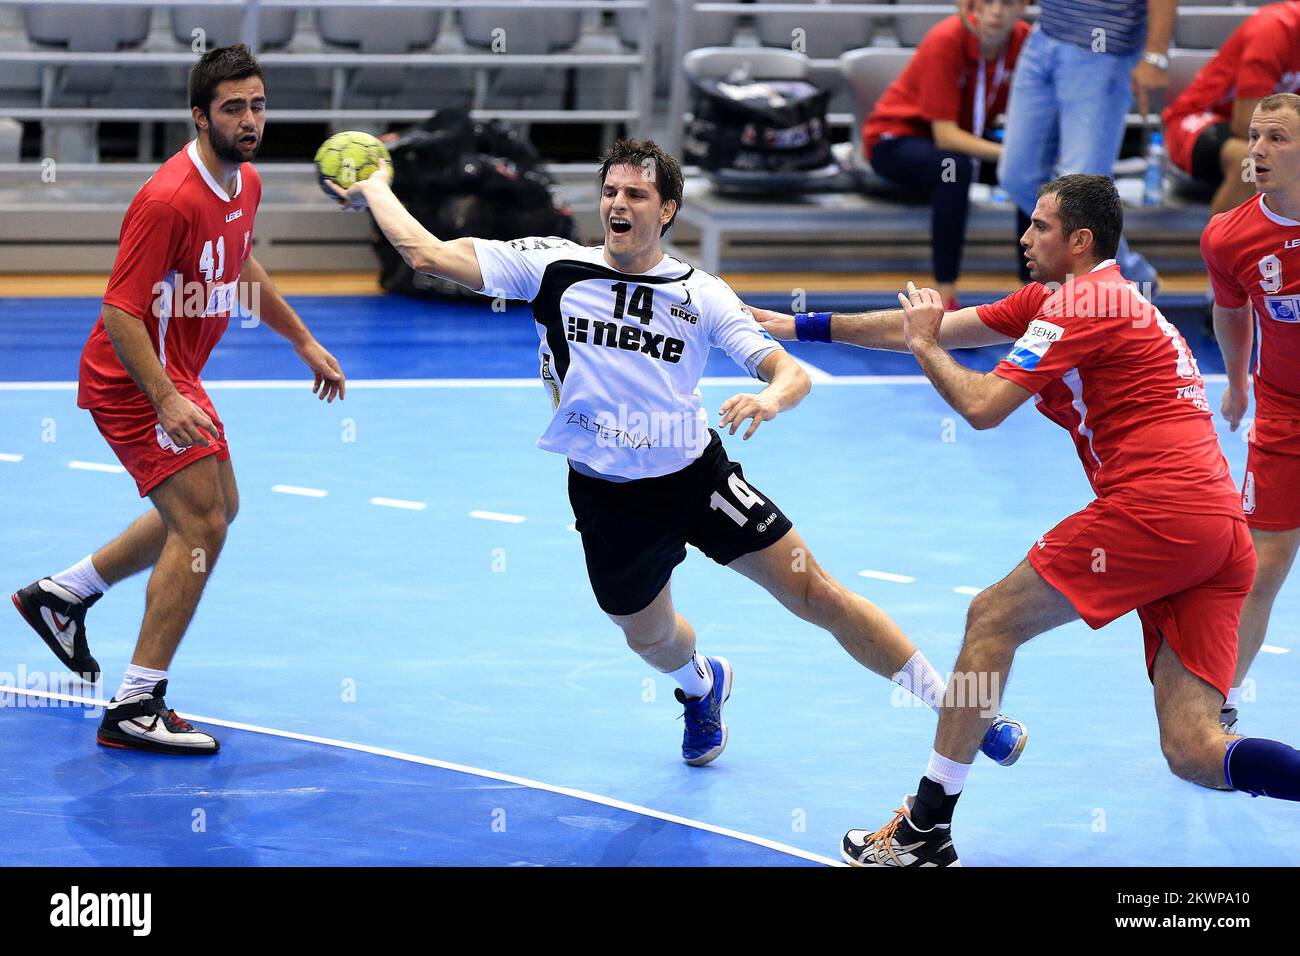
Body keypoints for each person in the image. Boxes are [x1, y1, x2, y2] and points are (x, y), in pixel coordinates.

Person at [329, 137, 1027, 768]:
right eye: (610, 192)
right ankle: (702, 686)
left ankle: (962, 710)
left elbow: (786, 370)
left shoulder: (702, 294)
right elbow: (425, 254)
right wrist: (374, 187)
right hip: (606, 496)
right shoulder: (548, 266)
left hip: (697, 477)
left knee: (817, 593)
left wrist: (769, 400)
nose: (618, 205)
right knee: (654, 641)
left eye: (635, 194)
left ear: (665, 210)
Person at [753, 173, 1300, 866]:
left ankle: (925, 829)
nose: (1023, 235)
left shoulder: (1085, 302)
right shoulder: (1065, 298)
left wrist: (927, 350)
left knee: (990, 619)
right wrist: (797, 327)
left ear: (1079, 240)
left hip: (1160, 511)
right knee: (1195, 750)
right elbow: (938, 325)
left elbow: (981, 405)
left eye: (1039, 226)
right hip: (1215, 530)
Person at [10, 45, 346, 755]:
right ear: (200, 117)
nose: (250, 119)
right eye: (233, 108)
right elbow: (120, 311)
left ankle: (63, 595)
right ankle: (135, 705)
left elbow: (240, 263)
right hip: (134, 383)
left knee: (218, 507)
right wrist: (163, 399)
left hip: (176, 375)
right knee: (202, 525)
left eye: (257, 104)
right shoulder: (168, 198)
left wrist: (302, 342)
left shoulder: (242, 183)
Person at [1202, 92, 1300, 736]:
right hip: (1285, 415)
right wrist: (1236, 385)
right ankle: (1217, 706)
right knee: (1259, 567)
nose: (1258, 150)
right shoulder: (1231, 235)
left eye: (1278, 138)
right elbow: (1232, 312)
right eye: (1256, 137)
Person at [964, 0, 1176, 291]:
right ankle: (1132, 278)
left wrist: (1156, 56)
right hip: (1045, 37)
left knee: (1080, 190)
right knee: (1017, 176)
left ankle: (1104, 291)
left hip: (1103, 50)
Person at [864, 0, 1030, 310]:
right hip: (895, 139)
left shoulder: (1025, 41)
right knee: (955, 168)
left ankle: (1035, 294)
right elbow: (946, 136)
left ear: (1022, 7)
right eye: (987, 2)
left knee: (1029, 172)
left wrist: (1023, 156)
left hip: (964, 139)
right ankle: (947, 297)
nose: (996, 11)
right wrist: (1012, 153)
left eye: (1007, 3)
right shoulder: (947, 39)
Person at [1163, 2, 1300, 220]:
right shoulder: (1273, 27)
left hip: (1277, 128)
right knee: (1250, 160)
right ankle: (1223, 252)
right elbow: (1246, 122)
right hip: (1203, 119)